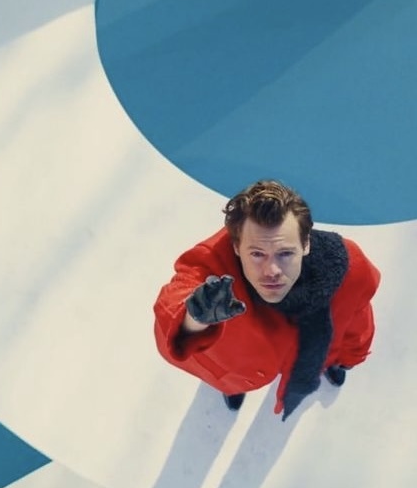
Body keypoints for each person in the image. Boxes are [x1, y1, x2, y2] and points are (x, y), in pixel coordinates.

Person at [153, 180, 380, 421]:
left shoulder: (349, 268)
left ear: (305, 244)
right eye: (257, 254)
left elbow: (358, 319)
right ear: (237, 247)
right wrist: (195, 317)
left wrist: (349, 358)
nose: (271, 270)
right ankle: (233, 388)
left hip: (317, 356)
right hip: (236, 370)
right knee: (231, 382)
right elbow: (177, 295)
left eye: (285, 254)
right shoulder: (213, 266)